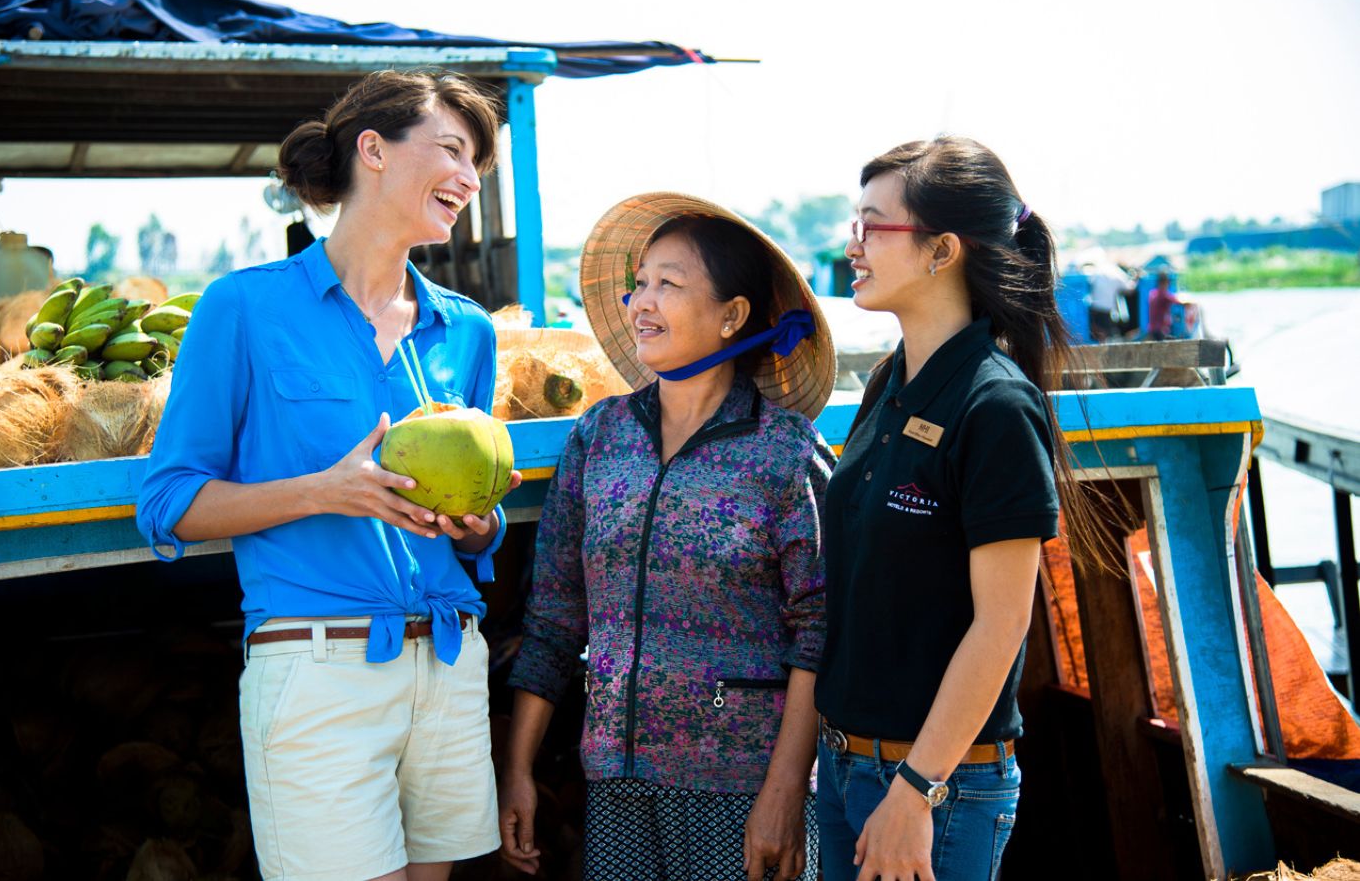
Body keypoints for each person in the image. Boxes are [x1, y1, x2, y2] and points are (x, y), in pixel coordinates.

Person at [136, 71, 518, 881]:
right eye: (452, 150)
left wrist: (478, 523)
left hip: (448, 663)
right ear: (372, 150)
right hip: (317, 669)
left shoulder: (469, 331)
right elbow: (170, 502)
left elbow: (479, 522)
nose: (468, 178)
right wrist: (323, 490)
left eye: (477, 166)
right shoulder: (242, 308)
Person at [498, 193, 838, 881]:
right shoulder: (600, 436)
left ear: (731, 317)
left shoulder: (784, 452)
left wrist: (782, 793)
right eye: (640, 283)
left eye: (669, 284)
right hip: (617, 783)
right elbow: (555, 620)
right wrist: (517, 769)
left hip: (742, 787)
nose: (642, 302)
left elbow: (821, 631)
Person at [815, 137, 1092, 881]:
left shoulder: (994, 405)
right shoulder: (889, 384)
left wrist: (916, 790)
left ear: (940, 250)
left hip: (935, 785)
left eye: (872, 225)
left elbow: (1001, 624)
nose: (852, 244)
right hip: (845, 767)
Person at [1147, 271, 1182, 340]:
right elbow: (1179, 301)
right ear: (1166, 282)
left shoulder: (1152, 293)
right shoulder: (1164, 294)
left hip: (1152, 328)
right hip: (1161, 329)